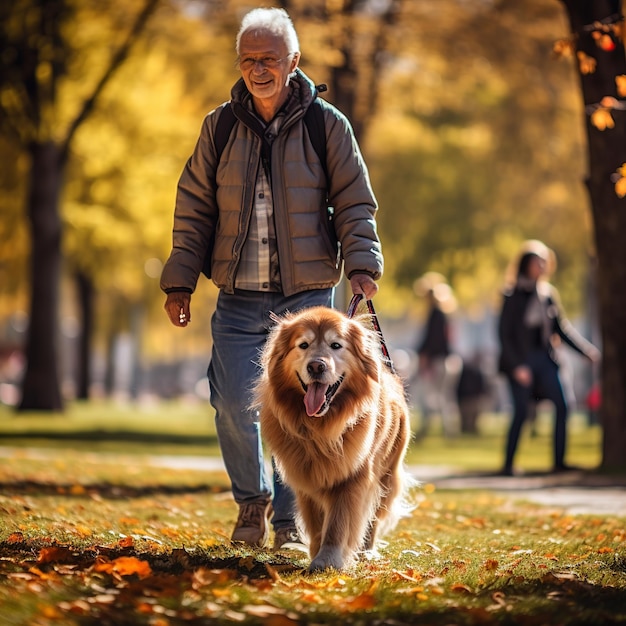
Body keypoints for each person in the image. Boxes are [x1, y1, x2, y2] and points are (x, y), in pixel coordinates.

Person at [160, 8, 382, 550]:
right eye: (248, 60)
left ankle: (290, 525)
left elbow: (353, 199)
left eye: (269, 59)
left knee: (304, 408)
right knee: (234, 402)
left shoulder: (325, 123)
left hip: (305, 296)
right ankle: (251, 505)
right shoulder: (219, 126)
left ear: (293, 62)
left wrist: (361, 264)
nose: (258, 69)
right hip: (237, 295)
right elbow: (194, 208)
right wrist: (179, 280)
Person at [497, 240, 601, 476]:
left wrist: (586, 351)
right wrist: (517, 366)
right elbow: (505, 335)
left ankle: (559, 461)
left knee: (563, 406)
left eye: (544, 262)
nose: (541, 266)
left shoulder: (548, 295)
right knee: (521, 412)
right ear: (526, 265)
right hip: (521, 362)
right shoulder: (512, 296)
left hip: (545, 359)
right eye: (537, 262)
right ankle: (508, 464)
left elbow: (561, 329)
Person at [413, 273, 461, 438]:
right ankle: (448, 430)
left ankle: (436, 430)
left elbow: (432, 339)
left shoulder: (436, 314)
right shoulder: (444, 314)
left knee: (434, 396)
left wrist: (424, 356)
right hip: (446, 360)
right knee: (444, 396)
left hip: (438, 361)